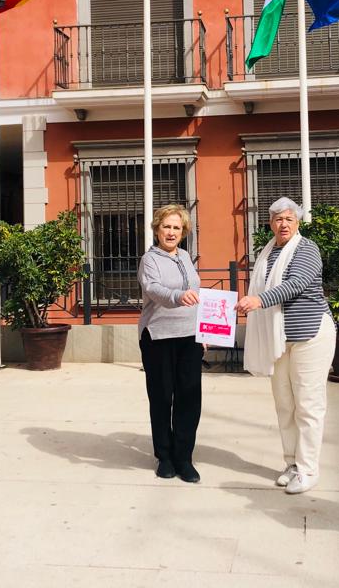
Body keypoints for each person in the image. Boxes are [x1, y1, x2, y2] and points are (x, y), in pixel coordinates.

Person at [237, 197, 334, 495]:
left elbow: (296, 283)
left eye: (289, 219)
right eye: (278, 219)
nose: (283, 224)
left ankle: (308, 469)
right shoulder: (267, 252)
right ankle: (291, 463)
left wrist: (258, 301)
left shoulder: (306, 249)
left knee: (308, 403)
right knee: (285, 404)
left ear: (298, 222)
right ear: (270, 224)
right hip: (279, 339)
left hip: (311, 335)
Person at [137, 203, 202, 483]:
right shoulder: (149, 260)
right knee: (163, 397)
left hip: (189, 337)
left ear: (183, 231)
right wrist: (178, 296)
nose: (172, 232)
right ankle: (164, 456)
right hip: (159, 337)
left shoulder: (186, 257)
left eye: (177, 227)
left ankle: (184, 457)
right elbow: (153, 289)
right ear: (157, 229)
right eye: (167, 226)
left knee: (190, 398)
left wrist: (205, 332)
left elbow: (197, 294)